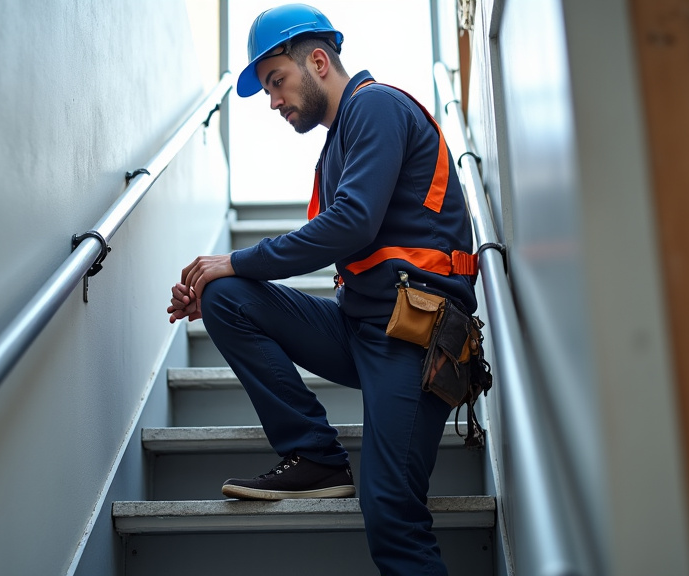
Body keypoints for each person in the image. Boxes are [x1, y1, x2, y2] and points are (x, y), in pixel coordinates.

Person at [167, 4, 477, 574]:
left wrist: (234, 259)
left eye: (276, 82)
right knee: (225, 298)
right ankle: (314, 454)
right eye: (267, 90)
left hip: (414, 338)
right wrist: (224, 277)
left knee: (390, 508)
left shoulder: (377, 106)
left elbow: (352, 223)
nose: (274, 101)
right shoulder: (335, 146)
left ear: (318, 61)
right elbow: (341, 238)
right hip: (360, 327)